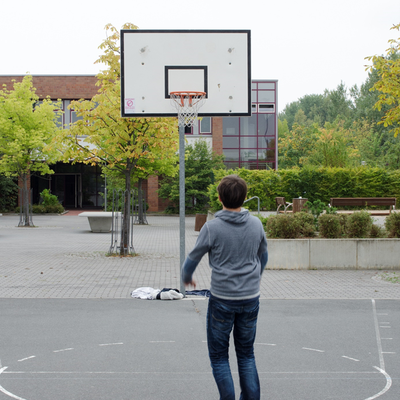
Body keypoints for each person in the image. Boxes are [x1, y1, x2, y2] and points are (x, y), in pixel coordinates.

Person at [182, 174, 268, 400]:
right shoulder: (256, 224)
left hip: (222, 300)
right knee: (246, 353)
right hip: (250, 298)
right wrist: (256, 276)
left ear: (219, 198)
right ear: (246, 197)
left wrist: (187, 276)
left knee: (219, 356)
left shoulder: (212, 228)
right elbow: (264, 255)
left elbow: (193, 257)